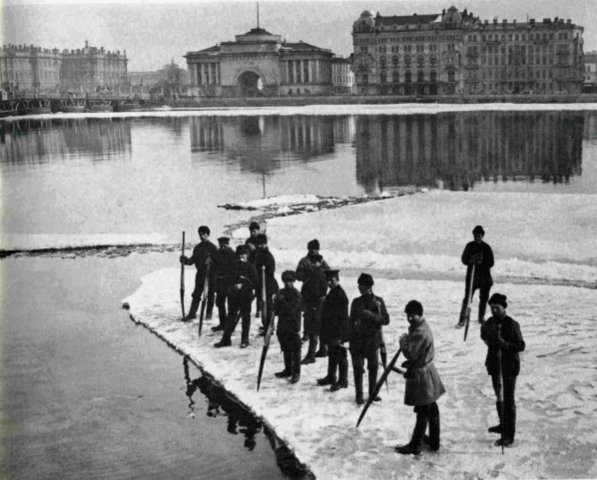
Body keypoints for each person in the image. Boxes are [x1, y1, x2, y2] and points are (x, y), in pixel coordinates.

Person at [395, 300, 446, 455]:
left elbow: (410, 352)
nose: (410, 319)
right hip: (427, 371)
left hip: (422, 376)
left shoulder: (420, 332)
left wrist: (403, 341)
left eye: (413, 316)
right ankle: (434, 441)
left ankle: (415, 445)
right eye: (408, 316)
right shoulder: (421, 327)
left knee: (423, 409)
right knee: (431, 407)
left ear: (420, 314)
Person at [481, 293, 525, 448]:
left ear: (504, 308)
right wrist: (489, 340)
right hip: (495, 365)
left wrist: (504, 344)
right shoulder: (489, 322)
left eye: (497, 308)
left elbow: (520, 345)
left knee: (508, 400)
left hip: (509, 367)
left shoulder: (512, 324)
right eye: (492, 308)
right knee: (499, 396)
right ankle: (503, 425)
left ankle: (509, 435)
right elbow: (483, 335)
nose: (494, 311)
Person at [348, 273, 389, 405]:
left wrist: (371, 315)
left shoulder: (378, 301)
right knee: (358, 368)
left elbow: (386, 320)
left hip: (372, 340)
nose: (359, 287)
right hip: (358, 340)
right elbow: (350, 322)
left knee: (373, 367)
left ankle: (372, 393)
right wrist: (350, 340)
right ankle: (359, 395)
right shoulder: (356, 302)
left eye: (361, 285)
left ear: (368, 286)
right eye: (359, 285)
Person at [214, 245, 258, 349]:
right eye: (240, 254)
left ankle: (245, 339)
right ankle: (226, 339)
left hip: (246, 295)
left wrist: (244, 285)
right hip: (233, 295)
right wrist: (233, 285)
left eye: (244, 254)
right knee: (231, 317)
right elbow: (227, 279)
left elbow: (256, 283)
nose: (241, 256)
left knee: (245, 318)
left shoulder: (250, 267)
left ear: (247, 255)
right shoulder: (232, 266)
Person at [317, 269, 349, 391]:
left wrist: (339, 336)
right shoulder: (333, 293)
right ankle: (331, 376)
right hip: (331, 330)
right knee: (332, 354)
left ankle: (343, 380)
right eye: (328, 281)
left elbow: (342, 318)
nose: (329, 283)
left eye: (332, 280)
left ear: (337, 280)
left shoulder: (340, 295)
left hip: (337, 332)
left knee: (341, 355)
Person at [457, 225, 495, 327]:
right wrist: (471, 259)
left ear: (482, 236)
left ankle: (481, 318)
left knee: (484, 298)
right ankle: (462, 320)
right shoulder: (469, 246)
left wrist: (482, 261)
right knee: (467, 298)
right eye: (475, 235)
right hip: (472, 277)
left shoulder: (486, 247)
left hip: (484, 277)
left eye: (479, 236)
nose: (477, 237)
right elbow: (464, 259)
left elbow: (491, 262)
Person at [179, 225, 217, 322]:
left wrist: (211, 262)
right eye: (200, 234)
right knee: (196, 295)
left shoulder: (213, 247)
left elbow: (218, 262)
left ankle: (209, 313)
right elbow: (192, 261)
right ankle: (192, 314)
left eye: (203, 234)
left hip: (210, 275)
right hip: (200, 275)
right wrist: (185, 260)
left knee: (210, 295)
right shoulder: (198, 248)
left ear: (207, 234)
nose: (201, 236)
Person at [273, 270, 303, 384]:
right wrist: (275, 302)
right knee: (285, 347)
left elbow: (291, 310)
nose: (287, 283)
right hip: (282, 324)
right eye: (285, 281)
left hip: (293, 324)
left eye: (290, 281)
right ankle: (288, 369)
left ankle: (296, 372)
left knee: (295, 350)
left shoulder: (296, 294)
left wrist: (282, 301)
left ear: (294, 281)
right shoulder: (281, 292)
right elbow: (276, 310)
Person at [210, 236, 237, 332]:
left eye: (225, 245)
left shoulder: (232, 254)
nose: (223, 247)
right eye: (221, 245)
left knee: (231, 304)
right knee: (220, 303)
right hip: (220, 282)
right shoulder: (217, 253)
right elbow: (214, 265)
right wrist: (210, 261)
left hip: (229, 282)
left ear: (228, 244)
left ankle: (230, 325)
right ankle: (223, 323)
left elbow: (235, 268)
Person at [254, 234, 279, 333]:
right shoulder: (259, 254)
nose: (259, 246)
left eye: (261, 244)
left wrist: (262, 271)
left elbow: (270, 271)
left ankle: (269, 326)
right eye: (258, 244)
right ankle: (266, 324)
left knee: (268, 306)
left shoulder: (268, 256)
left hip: (268, 285)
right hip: (261, 284)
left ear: (265, 244)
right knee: (263, 306)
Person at [245, 221, 262, 317]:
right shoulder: (248, 241)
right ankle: (246, 308)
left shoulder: (262, 240)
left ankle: (259, 309)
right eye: (251, 231)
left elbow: (262, 254)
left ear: (258, 230)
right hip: (250, 268)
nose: (253, 233)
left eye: (254, 231)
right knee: (248, 289)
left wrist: (254, 250)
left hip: (259, 268)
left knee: (259, 290)